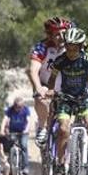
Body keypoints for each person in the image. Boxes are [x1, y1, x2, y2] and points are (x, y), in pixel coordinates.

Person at [44, 27, 88, 172]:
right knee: (63, 129)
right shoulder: (60, 60)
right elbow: (52, 78)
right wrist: (51, 90)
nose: (70, 51)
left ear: (80, 46)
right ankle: (60, 162)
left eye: (74, 48)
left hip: (82, 98)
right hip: (65, 98)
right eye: (68, 47)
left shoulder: (86, 60)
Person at [28, 16, 72, 147]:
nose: (61, 37)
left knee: (66, 127)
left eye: (64, 34)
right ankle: (42, 126)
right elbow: (33, 71)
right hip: (45, 83)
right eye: (57, 35)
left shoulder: (74, 46)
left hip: (65, 85)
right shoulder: (42, 47)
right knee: (42, 99)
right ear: (50, 36)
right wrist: (38, 88)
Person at [0, 97, 32, 175]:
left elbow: (28, 121)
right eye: (16, 106)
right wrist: (2, 129)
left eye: (20, 107)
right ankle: (11, 167)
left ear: (22, 106)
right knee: (10, 146)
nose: (18, 108)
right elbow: (5, 119)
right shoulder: (10, 110)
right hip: (13, 131)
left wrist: (27, 130)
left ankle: (25, 168)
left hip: (23, 132)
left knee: (24, 146)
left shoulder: (26, 110)